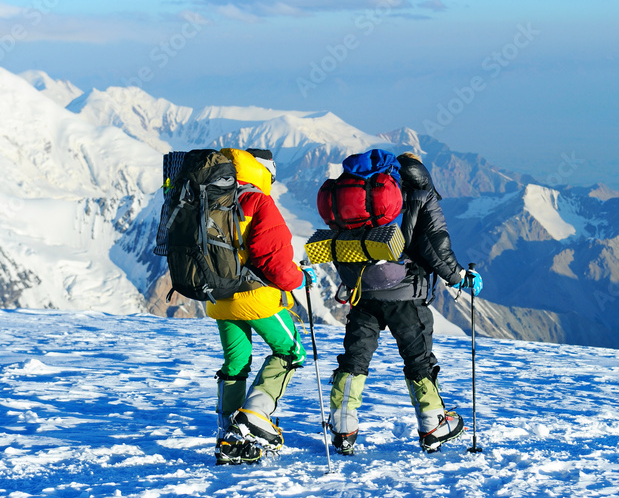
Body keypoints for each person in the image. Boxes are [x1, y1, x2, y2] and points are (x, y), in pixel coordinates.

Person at [328, 151, 483, 454]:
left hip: (362, 291)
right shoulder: (421, 197)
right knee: (418, 359)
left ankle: (343, 427)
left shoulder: (362, 198)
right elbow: (436, 246)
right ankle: (433, 425)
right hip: (405, 293)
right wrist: (459, 277)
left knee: (355, 358)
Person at [207, 147, 316, 465]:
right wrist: (299, 277)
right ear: (262, 170)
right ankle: (255, 415)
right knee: (291, 351)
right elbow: (276, 265)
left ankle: (228, 437)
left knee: (235, 364)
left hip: (218, 299)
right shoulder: (257, 201)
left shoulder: (204, 198)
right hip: (256, 298)